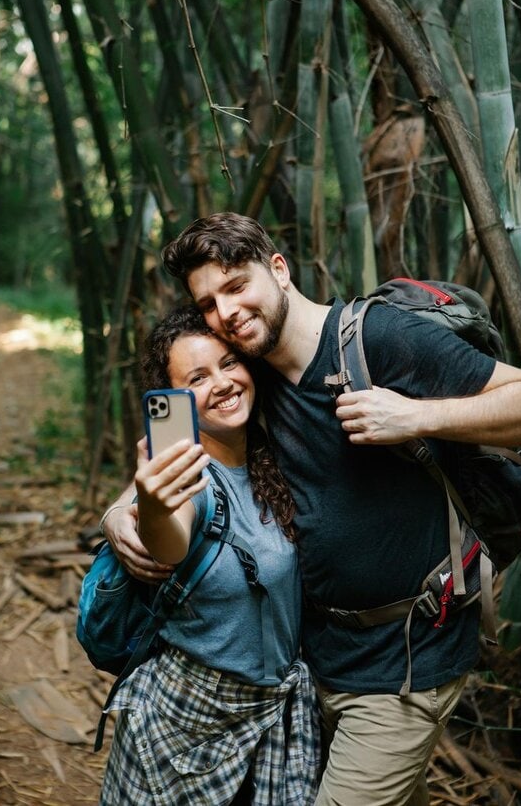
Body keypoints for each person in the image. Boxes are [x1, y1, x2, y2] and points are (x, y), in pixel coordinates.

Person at [103, 213, 521, 806]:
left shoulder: (377, 339)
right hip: (315, 667)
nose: (225, 312)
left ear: (278, 270)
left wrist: (416, 416)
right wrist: (123, 508)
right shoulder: (248, 368)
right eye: (208, 302)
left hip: (406, 661)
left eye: (236, 286)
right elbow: (184, 450)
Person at [98, 304, 320, 806]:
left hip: (274, 720)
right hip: (184, 722)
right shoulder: (189, 482)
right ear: (172, 400)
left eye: (228, 363)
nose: (222, 382)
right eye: (197, 377)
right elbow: (170, 542)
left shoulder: (279, 456)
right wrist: (149, 504)